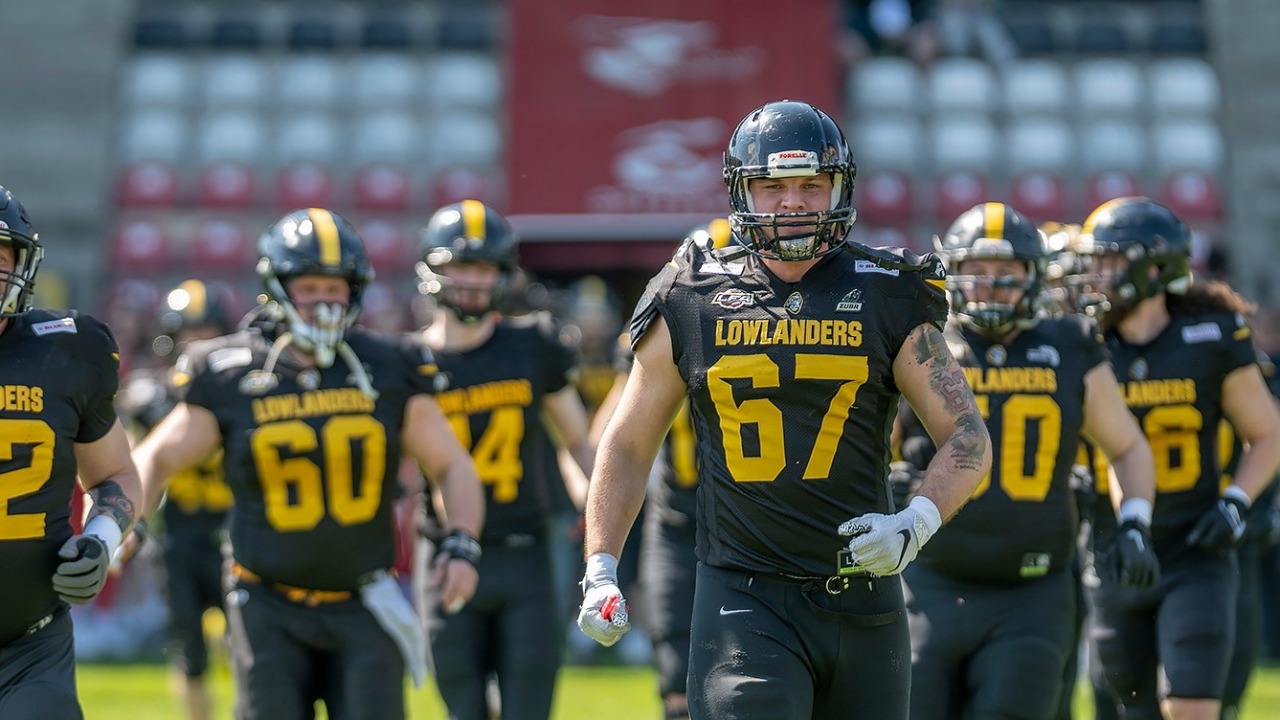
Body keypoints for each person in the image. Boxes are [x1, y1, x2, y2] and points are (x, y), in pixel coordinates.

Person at [576, 99, 993, 720]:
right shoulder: (693, 296)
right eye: (772, 186)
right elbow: (629, 442)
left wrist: (917, 520)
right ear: (742, 192)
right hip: (744, 600)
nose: (792, 202)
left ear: (838, 188)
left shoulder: (887, 293)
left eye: (810, 185)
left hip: (865, 600)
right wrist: (602, 565)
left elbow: (966, 437)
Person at [131, 208, 485, 720]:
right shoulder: (233, 369)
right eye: (310, 286)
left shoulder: (388, 363)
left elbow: (451, 463)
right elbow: (156, 457)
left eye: (335, 286)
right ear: (277, 287)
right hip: (266, 602)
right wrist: (126, 522)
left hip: (364, 599)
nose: (325, 300)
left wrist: (462, 541)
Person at [895, 202, 1160, 720]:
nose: (990, 285)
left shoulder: (1069, 345)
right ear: (953, 272)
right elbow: (870, 445)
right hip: (927, 581)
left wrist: (1134, 522)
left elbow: (1125, 446)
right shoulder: (922, 343)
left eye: (1006, 272)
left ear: (1034, 278)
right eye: (977, 270)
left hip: (1031, 592)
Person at [1070, 197, 1280, 720]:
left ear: (1154, 267)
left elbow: (1269, 433)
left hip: (1194, 549)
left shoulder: (1209, 338)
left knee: (1191, 708)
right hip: (1111, 549)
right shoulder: (1081, 340)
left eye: (1109, 260)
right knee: (1124, 711)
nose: (1094, 273)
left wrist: (1235, 503)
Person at [411, 199, 594, 720]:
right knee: (463, 709)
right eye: (460, 266)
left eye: (485, 268)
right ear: (433, 269)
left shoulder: (533, 343)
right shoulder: (407, 361)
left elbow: (578, 441)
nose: (472, 280)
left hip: (525, 551)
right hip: (444, 551)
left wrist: (605, 518)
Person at [0, 184, 143, 718]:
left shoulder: (66, 348)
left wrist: (101, 540)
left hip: (28, 648)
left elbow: (116, 475)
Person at [114, 279, 234, 720]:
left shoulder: (243, 393)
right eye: (188, 335)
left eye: (206, 334)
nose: (197, 345)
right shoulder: (151, 398)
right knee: (190, 652)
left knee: (249, 644)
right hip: (180, 538)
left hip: (235, 532)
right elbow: (125, 466)